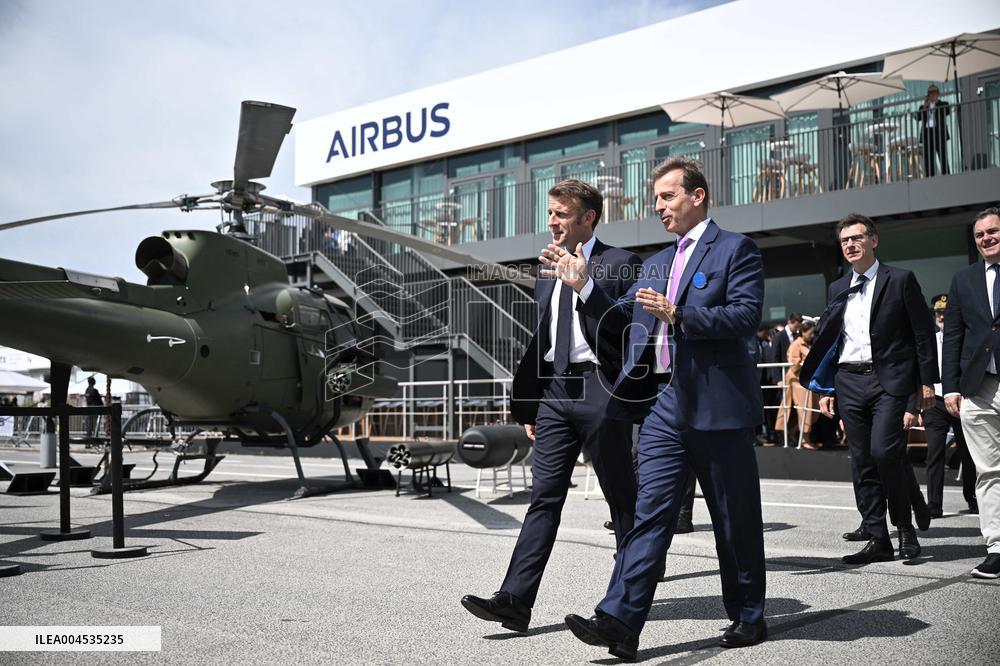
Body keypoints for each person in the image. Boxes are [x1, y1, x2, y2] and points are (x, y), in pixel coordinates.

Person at [550, 157, 766, 658]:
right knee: (649, 514)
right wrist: (585, 287)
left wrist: (680, 314)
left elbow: (745, 315)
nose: (660, 207)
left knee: (733, 519)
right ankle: (620, 621)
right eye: (656, 201)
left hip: (717, 406)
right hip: (662, 406)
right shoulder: (656, 264)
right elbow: (624, 327)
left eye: (668, 197)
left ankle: (748, 615)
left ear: (698, 195)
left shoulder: (737, 250)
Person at [461, 179, 641, 632]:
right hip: (556, 393)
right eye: (551, 213)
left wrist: (585, 287)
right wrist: (532, 406)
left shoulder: (622, 264)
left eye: (562, 214)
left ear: (588, 218)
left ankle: (622, 605)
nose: (552, 221)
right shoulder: (545, 270)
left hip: (602, 386)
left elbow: (624, 328)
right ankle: (515, 601)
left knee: (622, 499)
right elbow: (543, 338)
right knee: (543, 497)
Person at [804, 214, 938, 565]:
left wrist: (926, 382)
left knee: (884, 452)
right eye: (844, 240)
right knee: (861, 461)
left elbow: (922, 335)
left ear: (873, 240)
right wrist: (826, 388)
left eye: (856, 238)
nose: (850, 244)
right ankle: (878, 538)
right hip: (848, 380)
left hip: (888, 381)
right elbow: (831, 341)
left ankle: (904, 527)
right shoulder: (836, 288)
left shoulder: (901, 280)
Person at [942, 206, 1000, 579]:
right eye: (980, 234)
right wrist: (949, 387)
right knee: (988, 472)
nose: (986, 238)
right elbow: (953, 337)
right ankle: (996, 546)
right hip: (977, 388)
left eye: (992, 231)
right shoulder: (963, 279)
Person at [922, 294, 977, 517]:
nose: (942, 316)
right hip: (935, 400)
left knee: (969, 452)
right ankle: (934, 504)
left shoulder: (963, 339)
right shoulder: (930, 341)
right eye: (938, 312)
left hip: (962, 399)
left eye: (945, 312)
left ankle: (972, 497)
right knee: (934, 453)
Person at [784, 319, 819, 448]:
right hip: (798, 382)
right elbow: (794, 365)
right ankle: (804, 439)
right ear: (803, 332)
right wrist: (806, 363)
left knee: (811, 410)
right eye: (810, 332)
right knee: (805, 410)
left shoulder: (806, 344)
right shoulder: (796, 345)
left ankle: (794, 434)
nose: (812, 335)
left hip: (806, 381)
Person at [913, 85, 950, 177]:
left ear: (938, 93)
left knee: (943, 157)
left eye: (934, 92)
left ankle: (946, 176)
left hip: (939, 134)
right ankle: (930, 177)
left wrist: (936, 103)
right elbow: (917, 118)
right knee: (929, 159)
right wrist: (925, 106)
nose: (932, 94)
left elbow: (947, 111)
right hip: (927, 135)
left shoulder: (943, 104)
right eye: (930, 93)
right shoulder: (923, 106)